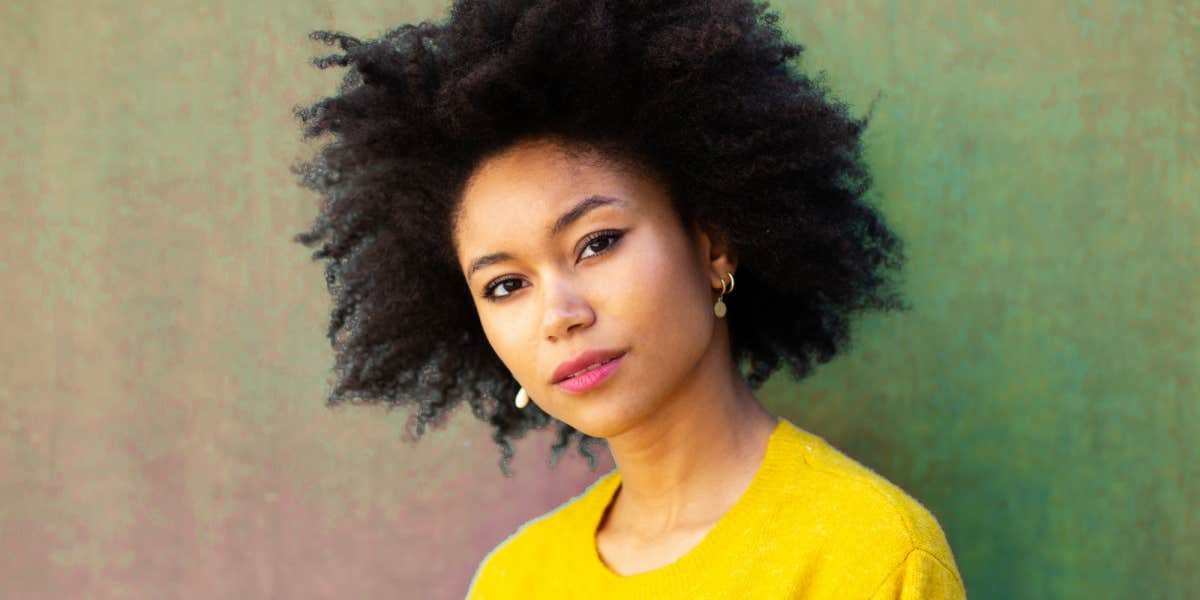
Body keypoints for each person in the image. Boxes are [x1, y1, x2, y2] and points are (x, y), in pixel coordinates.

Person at [292, 0, 966, 597]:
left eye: (597, 243)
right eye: (506, 285)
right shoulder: (516, 581)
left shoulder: (870, 556)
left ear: (713, 244)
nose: (560, 315)